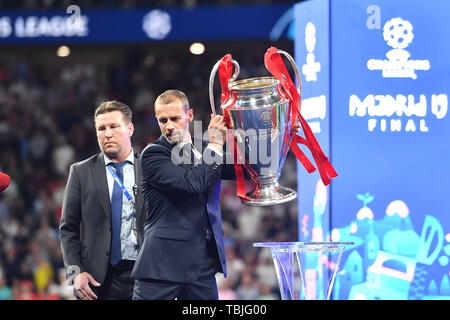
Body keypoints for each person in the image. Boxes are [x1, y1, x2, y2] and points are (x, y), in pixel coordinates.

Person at [131, 89, 239, 300]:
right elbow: (192, 184)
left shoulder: (205, 149)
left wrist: (248, 133)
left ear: (189, 116)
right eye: (163, 120)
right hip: (162, 266)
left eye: (174, 118)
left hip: (202, 265)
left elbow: (249, 168)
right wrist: (217, 143)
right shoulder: (153, 154)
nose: (169, 126)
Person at [59, 100, 145, 300]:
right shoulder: (80, 172)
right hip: (97, 282)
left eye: (114, 126)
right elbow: (67, 228)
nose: (107, 134)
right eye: (101, 128)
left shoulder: (149, 168)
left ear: (130, 128)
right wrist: (74, 274)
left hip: (146, 277)